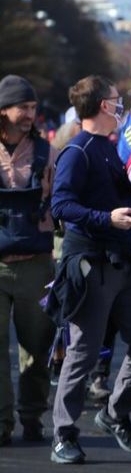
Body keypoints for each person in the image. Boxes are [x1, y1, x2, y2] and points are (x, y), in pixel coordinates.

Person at [47, 75, 131, 464]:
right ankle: (63, 433)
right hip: (91, 263)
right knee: (83, 350)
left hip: (122, 261)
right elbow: (61, 205)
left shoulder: (112, 148)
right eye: (116, 99)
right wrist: (106, 218)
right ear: (102, 106)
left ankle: (114, 413)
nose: (122, 103)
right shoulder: (77, 151)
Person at [0, 75, 57, 446]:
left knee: (37, 347)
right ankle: (2, 422)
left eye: (34, 108)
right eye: (23, 107)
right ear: (3, 109)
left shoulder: (47, 152)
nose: (30, 115)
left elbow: (61, 203)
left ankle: (32, 414)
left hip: (36, 262)